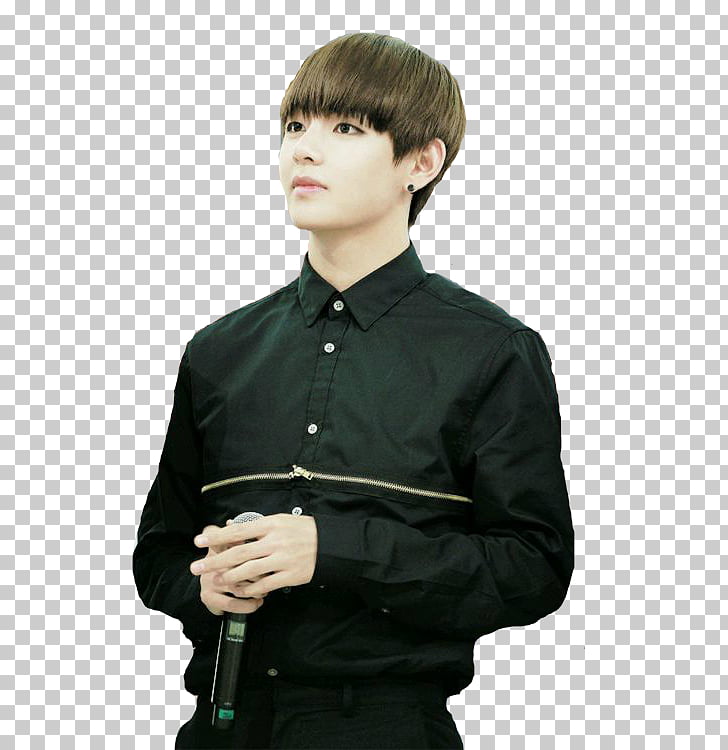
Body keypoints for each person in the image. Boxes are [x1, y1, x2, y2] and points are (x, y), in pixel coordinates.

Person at [132, 31, 575, 750]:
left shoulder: (492, 351)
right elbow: (158, 554)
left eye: (345, 128)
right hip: (219, 726)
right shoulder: (218, 351)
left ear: (421, 162)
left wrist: (333, 550)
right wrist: (203, 587)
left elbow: (534, 568)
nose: (304, 151)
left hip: (384, 729)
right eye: (294, 126)